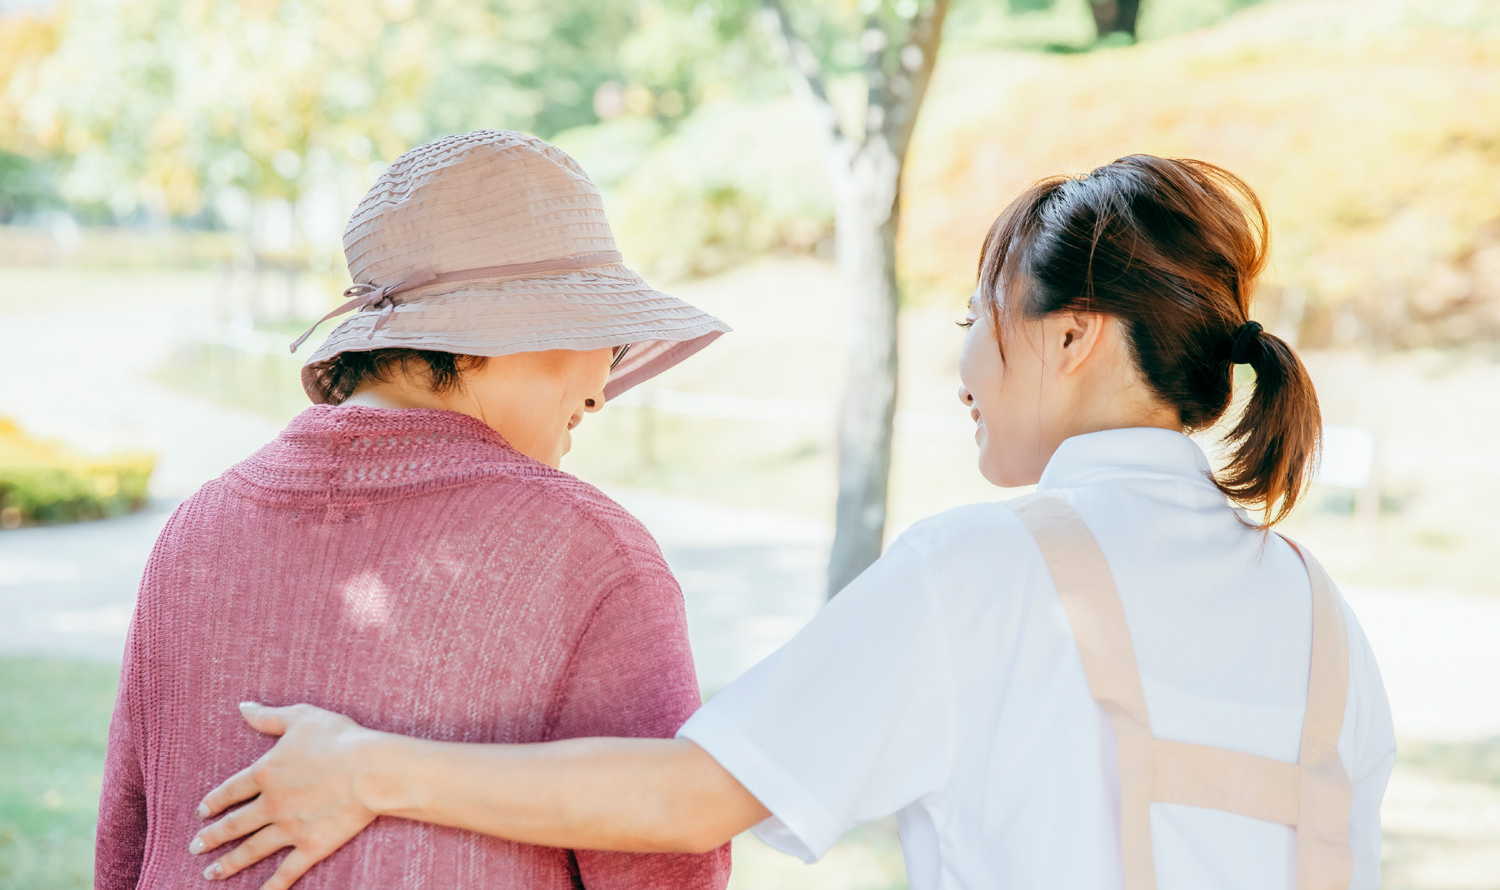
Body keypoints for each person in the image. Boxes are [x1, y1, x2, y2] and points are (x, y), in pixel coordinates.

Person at [189, 155, 1398, 890]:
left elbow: (689, 796)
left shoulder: (989, 568)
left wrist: (367, 771)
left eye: (976, 318)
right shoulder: (1322, 617)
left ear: (1074, 335)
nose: (964, 361)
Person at [94, 130, 734, 889]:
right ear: (517, 332)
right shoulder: (588, 552)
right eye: (606, 335)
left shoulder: (196, 528)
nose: (602, 389)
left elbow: (126, 848)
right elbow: (666, 869)